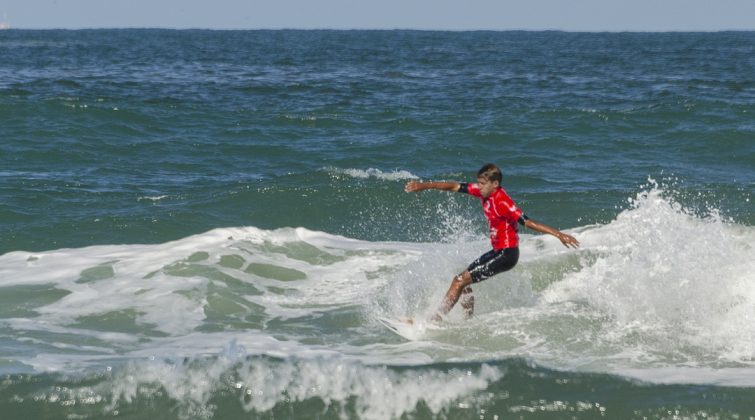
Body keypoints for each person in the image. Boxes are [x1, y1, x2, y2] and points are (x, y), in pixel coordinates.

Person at [404, 163, 579, 322]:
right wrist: (424, 186)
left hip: (507, 254)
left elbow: (529, 222)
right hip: (498, 252)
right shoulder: (483, 192)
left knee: (459, 281)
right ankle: (467, 320)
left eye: (482, 183)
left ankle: (433, 321)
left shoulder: (503, 202)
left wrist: (559, 235)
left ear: (494, 184)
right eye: (478, 183)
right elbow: (454, 186)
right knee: (463, 283)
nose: (478, 187)